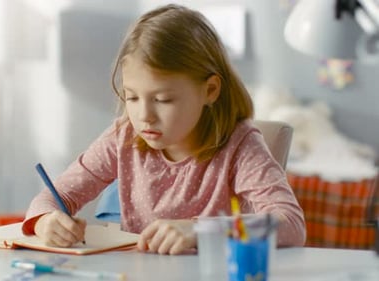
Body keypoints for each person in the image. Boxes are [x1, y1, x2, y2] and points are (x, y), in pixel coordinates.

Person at [22, 4, 306, 255]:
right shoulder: (124, 136)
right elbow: (51, 197)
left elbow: (291, 224)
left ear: (210, 90)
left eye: (163, 100)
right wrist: (47, 221)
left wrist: (201, 232)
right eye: (132, 97)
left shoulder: (240, 145)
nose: (144, 116)